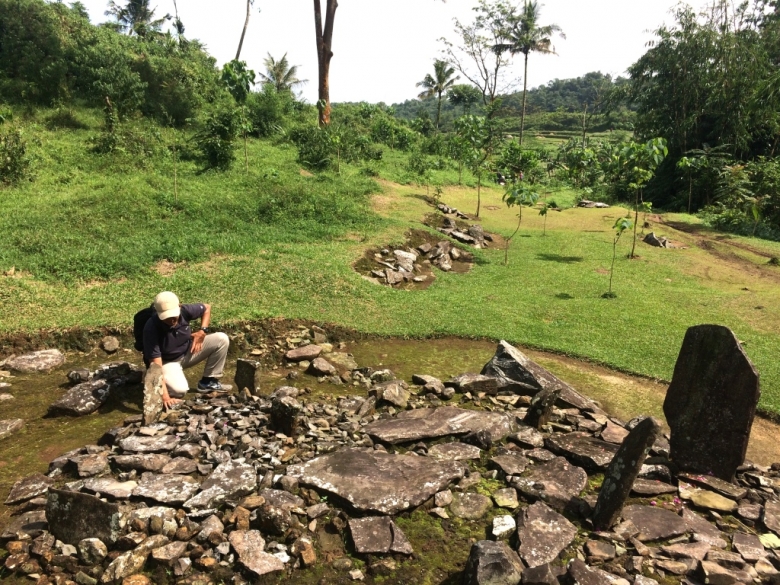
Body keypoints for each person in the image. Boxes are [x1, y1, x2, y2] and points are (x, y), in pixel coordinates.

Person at [143, 291, 230, 409]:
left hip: (188, 351)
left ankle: (208, 382)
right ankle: (156, 383)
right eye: (166, 317)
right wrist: (165, 397)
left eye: (173, 315)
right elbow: (156, 365)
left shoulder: (185, 311)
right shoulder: (151, 328)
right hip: (167, 362)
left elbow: (207, 308)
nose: (171, 320)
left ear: (179, 307)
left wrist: (202, 331)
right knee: (180, 390)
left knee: (221, 339)